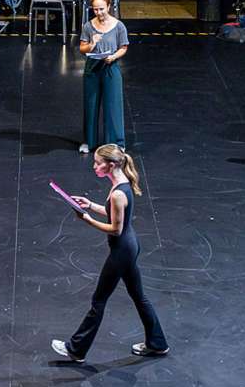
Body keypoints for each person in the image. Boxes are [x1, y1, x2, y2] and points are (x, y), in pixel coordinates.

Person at [52, 143, 168, 361]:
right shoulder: (119, 184)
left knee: (99, 300)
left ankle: (76, 349)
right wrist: (90, 205)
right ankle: (158, 343)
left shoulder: (118, 194)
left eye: (98, 163)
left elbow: (116, 229)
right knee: (139, 297)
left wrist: (87, 219)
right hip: (129, 246)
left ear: (111, 164)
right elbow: (112, 213)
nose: (94, 166)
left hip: (121, 251)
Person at [79, 0, 129, 154]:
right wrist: (92, 44)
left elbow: (123, 47)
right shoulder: (88, 26)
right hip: (93, 68)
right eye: (95, 9)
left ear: (108, 6)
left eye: (101, 8)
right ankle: (89, 141)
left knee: (113, 105)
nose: (98, 12)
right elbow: (82, 48)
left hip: (110, 67)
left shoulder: (118, 26)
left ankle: (115, 143)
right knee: (91, 104)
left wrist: (114, 56)